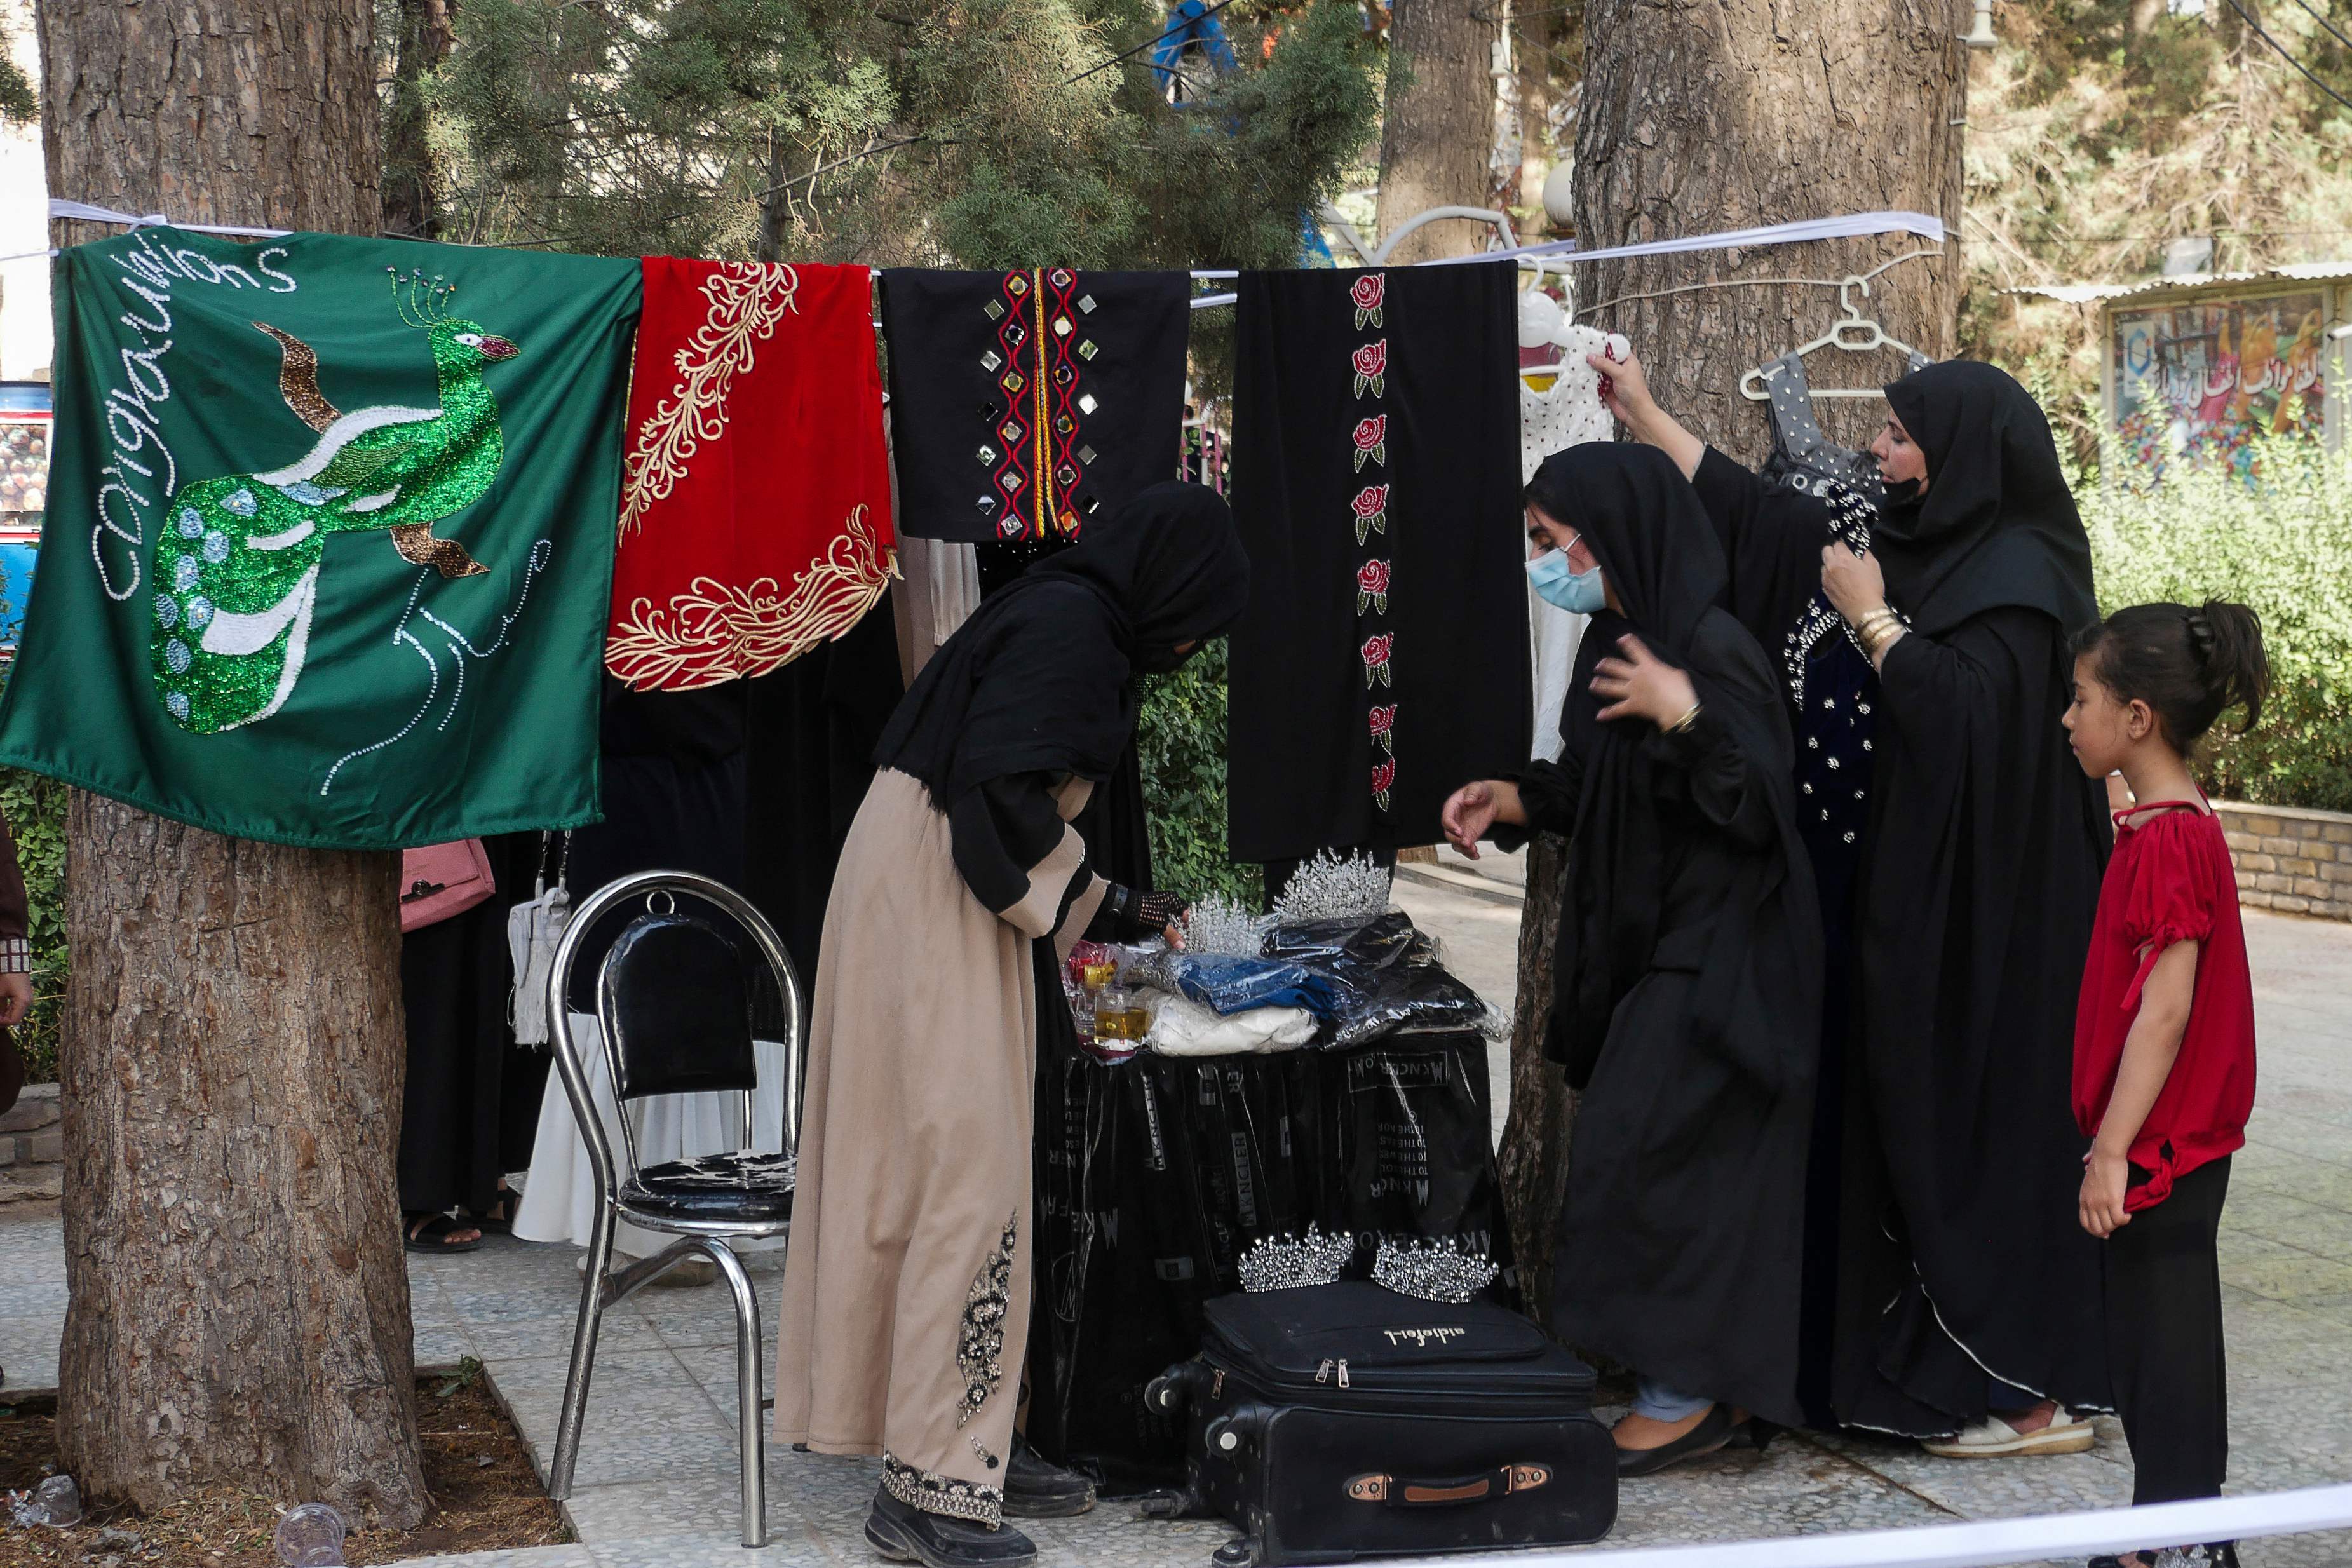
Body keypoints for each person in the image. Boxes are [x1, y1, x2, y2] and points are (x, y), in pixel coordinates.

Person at [1596, 351, 2113, 1449]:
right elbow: (1755, 515)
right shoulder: (1897, 540)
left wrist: (1877, 624)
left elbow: (1972, 725)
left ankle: (2001, 1385)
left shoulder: (2024, 579)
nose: (1875, 449)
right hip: (1874, 907)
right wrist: (1645, 412)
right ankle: (1870, 1369)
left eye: (1895, 434)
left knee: (1951, 1138)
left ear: (1962, 450)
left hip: (1979, 928)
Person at [773, 482, 1248, 1568]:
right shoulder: (1072, 628)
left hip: (927, 881)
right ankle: (932, 1485)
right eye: (1194, 622)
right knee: (961, 1183)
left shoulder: (1060, 610)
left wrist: (1105, 899)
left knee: (945, 1171)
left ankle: (971, 1436)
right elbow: (996, 796)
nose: (1185, 644)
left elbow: (1004, 783)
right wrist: (1105, 900)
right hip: (938, 890)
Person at [1441, 442, 1821, 1475]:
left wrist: (1686, 714)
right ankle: (1694, 1393)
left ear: (1611, 537)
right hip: (1661, 948)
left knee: (1659, 1171)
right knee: (1644, 1167)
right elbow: (1598, 785)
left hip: (1726, 958)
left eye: (1549, 541)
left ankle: (1687, 1398)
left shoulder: (1708, 649)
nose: (1542, 562)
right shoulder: (1624, 640)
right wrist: (1515, 800)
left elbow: (1759, 809)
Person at [2065, 602, 2268, 1568]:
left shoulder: (2170, 840)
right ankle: (2167, 1535)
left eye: (2081, 699)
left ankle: (2185, 1542)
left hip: (2162, 1146)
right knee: (2151, 1350)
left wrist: (2110, 1149)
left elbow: (2166, 1009)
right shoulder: (2159, 828)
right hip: (2167, 1140)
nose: (2067, 718)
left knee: (2167, 1352)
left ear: (2136, 718)